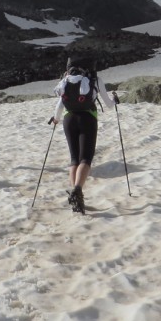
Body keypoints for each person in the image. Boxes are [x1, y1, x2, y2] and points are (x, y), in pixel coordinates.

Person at [48, 57, 118, 213]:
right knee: (85, 158)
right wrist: (115, 100)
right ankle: (78, 189)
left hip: (68, 119)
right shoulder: (94, 79)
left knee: (74, 159)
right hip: (88, 118)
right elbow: (108, 105)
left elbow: (60, 104)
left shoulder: (66, 80)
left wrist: (56, 119)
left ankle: (76, 198)